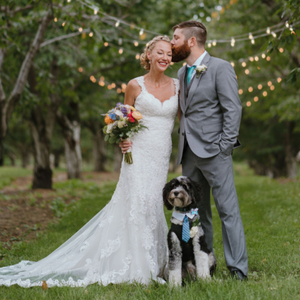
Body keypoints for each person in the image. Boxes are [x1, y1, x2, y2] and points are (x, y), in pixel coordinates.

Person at [0, 35, 179, 288]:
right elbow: (123, 119)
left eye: (169, 54)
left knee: (153, 203)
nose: (165, 57)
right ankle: (139, 265)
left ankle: (157, 261)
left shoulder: (178, 85)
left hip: (161, 154)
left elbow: (185, 120)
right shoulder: (135, 85)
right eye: (160, 52)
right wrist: (122, 140)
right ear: (148, 55)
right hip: (137, 153)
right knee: (137, 201)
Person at [171, 21, 248, 281]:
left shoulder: (220, 67)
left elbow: (233, 109)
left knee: (227, 210)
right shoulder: (182, 74)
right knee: (194, 212)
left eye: (175, 38)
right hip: (189, 153)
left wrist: (225, 146)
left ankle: (237, 269)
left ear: (191, 41)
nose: (172, 43)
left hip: (216, 151)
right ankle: (206, 263)